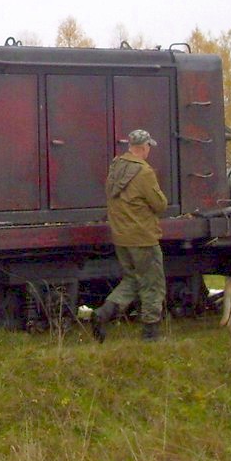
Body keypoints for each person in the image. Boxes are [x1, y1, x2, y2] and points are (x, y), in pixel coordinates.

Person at [90, 128, 169, 342]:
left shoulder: (115, 167)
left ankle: (103, 313)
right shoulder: (144, 172)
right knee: (152, 284)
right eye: (149, 147)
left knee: (133, 279)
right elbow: (160, 204)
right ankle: (151, 335)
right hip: (142, 237)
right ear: (144, 147)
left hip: (121, 237)